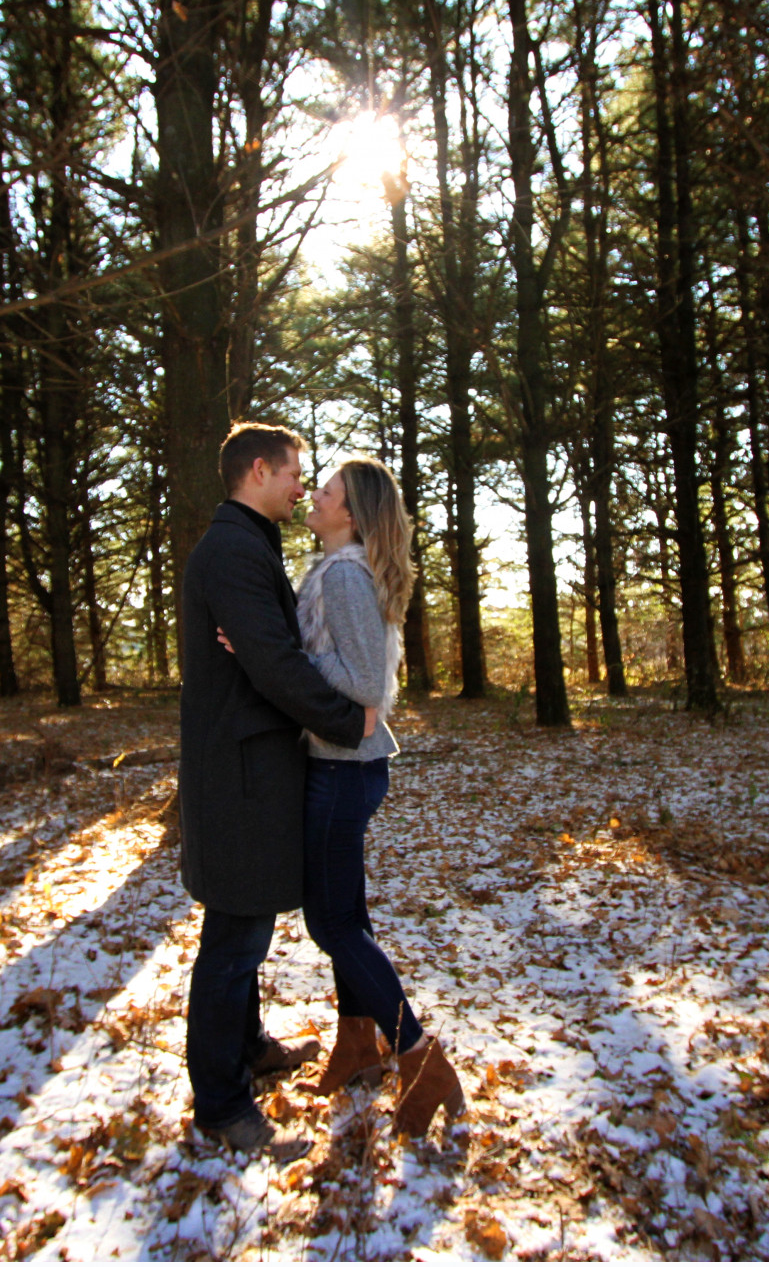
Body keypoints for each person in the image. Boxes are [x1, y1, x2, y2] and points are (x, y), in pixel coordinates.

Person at [228, 456, 466, 1138]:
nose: (312, 493)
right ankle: (359, 1043)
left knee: (332, 925)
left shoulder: (344, 574)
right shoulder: (338, 570)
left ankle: (420, 1056)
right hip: (341, 764)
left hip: (343, 768)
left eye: (325, 490)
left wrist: (268, 654)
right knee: (346, 914)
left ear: (352, 515)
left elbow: (364, 683)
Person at [177, 422, 377, 1156]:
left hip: (253, 766)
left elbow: (273, 649)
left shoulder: (248, 542)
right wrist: (349, 719)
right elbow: (273, 662)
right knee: (235, 935)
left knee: (248, 921)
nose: (303, 485)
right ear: (258, 470)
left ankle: (250, 1046)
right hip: (238, 774)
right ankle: (222, 1103)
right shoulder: (232, 549)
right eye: (296, 471)